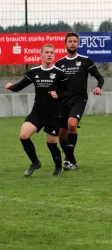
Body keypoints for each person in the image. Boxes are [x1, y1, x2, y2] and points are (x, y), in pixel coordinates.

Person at [5, 44, 70, 176]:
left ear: (54, 55)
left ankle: (58, 167)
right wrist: (11, 87)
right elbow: (19, 86)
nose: (49, 54)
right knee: (23, 135)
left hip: (54, 113)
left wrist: (58, 95)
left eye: (52, 52)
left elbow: (68, 92)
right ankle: (35, 162)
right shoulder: (34, 72)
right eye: (46, 52)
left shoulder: (59, 73)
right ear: (41, 55)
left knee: (51, 143)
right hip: (38, 112)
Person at [55, 32, 104, 170]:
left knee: (72, 124)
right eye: (69, 41)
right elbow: (56, 83)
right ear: (65, 44)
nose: (72, 43)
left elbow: (100, 78)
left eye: (75, 41)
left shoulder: (85, 60)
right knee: (61, 134)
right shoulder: (60, 63)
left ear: (78, 44)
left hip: (79, 99)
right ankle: (72, 160)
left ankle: (67, 160)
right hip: (63, 101)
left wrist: (99, 87)